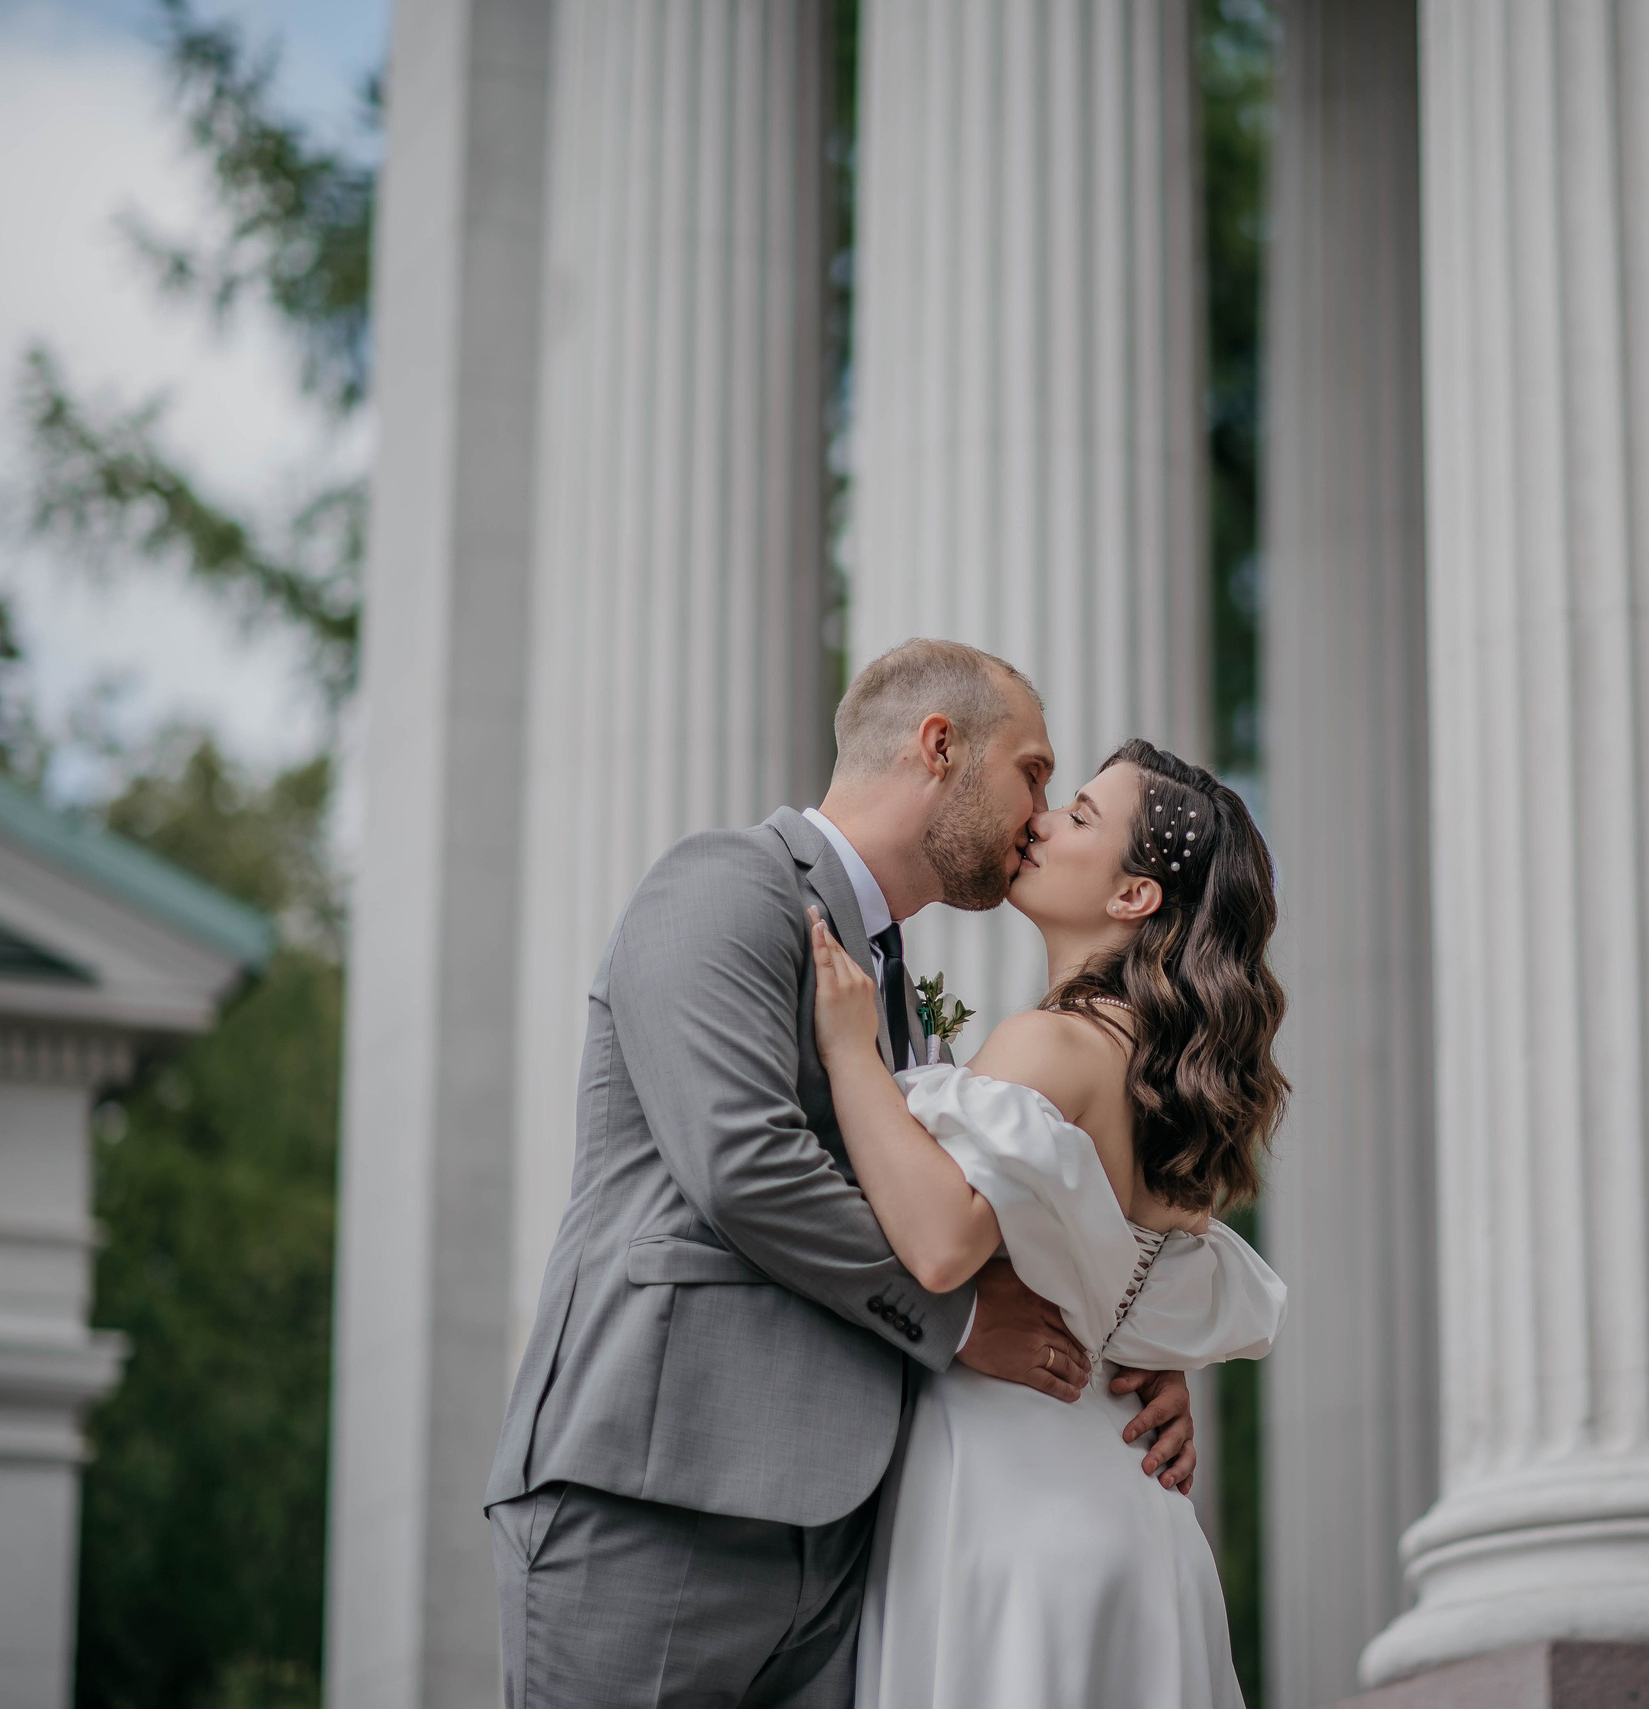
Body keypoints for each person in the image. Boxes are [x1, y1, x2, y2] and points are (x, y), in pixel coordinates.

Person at [485, 641, 1200, 1708]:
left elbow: (984, 1204)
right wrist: (962, 1320)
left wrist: (1125, 1352)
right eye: (1033, 772)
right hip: (660, 1489)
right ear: (940, 746)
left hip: (846, 1545)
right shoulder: (725, 882)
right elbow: (743, 1162)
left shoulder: (896, 993)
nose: (1041, 814)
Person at [805, 737, 1289, 1709]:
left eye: (1078, 816)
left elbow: (942, 1242)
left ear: (1133, 895)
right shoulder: (1165, 1084)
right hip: (1137, 1518)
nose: (1041, 820)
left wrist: (851, 1052)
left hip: (1009, 1506)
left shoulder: (1054, 1043)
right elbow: (1123, 1286)